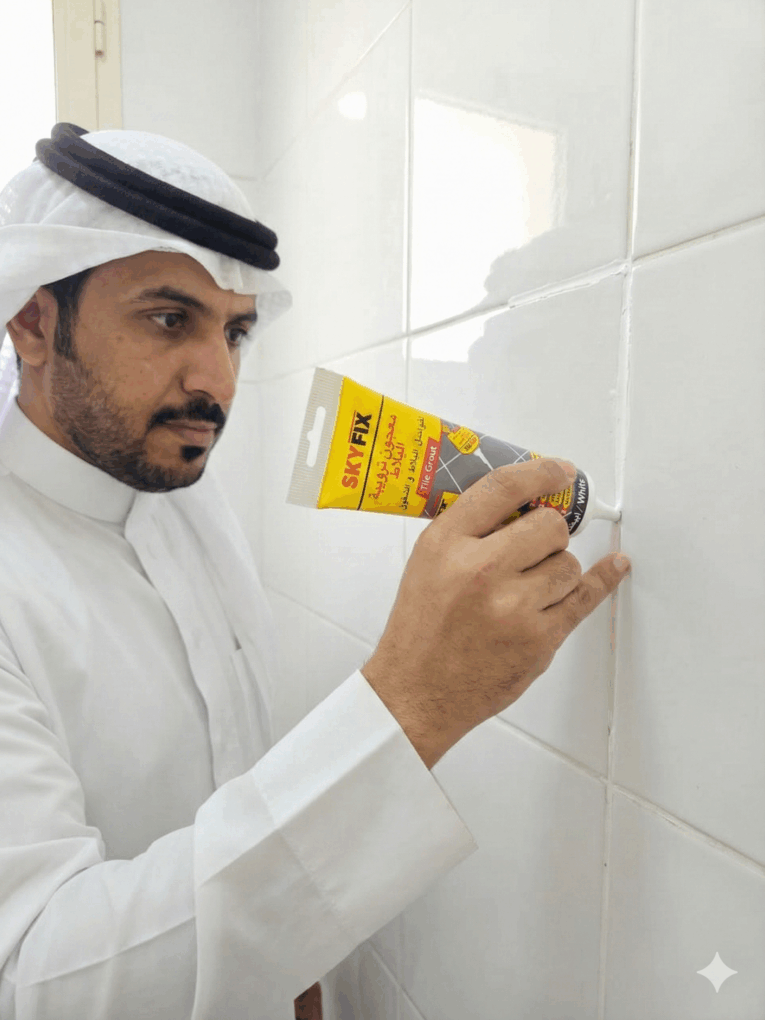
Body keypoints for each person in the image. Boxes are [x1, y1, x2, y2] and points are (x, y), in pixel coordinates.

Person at [0, 124, 631, 1020]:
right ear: (33, 323)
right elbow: (36, 982)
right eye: (169, 319)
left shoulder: (178, 494)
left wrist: (297, 982)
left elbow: (236, 776)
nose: (218, 381)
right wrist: (410, 703)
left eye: (236, 332)